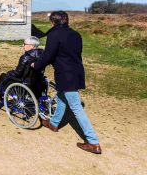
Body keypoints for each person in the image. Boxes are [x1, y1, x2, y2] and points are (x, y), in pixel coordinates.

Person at [31, 11, 102, 154]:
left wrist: (36, 65)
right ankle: (54, 123)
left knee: (76, 106)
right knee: (62, 98)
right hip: (76, 72)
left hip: (65, 74)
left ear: (53, 23)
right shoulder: (76, 34)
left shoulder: (53, 35)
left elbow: (48, 55)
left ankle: (93, 142)